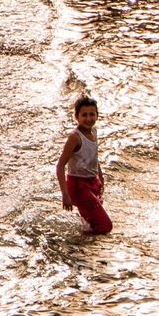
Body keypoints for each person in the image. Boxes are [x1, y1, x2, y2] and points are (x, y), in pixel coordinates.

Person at [56, 96, 113, 235]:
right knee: (105, 226)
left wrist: (100, 177)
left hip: (93, 182)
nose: (89, 119)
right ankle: (81, 243)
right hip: (78, 185)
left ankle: (83, 247)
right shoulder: (75, 137)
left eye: (92, 114)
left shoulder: (93, 132)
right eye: (84, 115)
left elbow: (93, 156)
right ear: (77, 117)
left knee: (91, 222)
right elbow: (60, 166)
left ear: (97, 115)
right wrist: (65, 194)